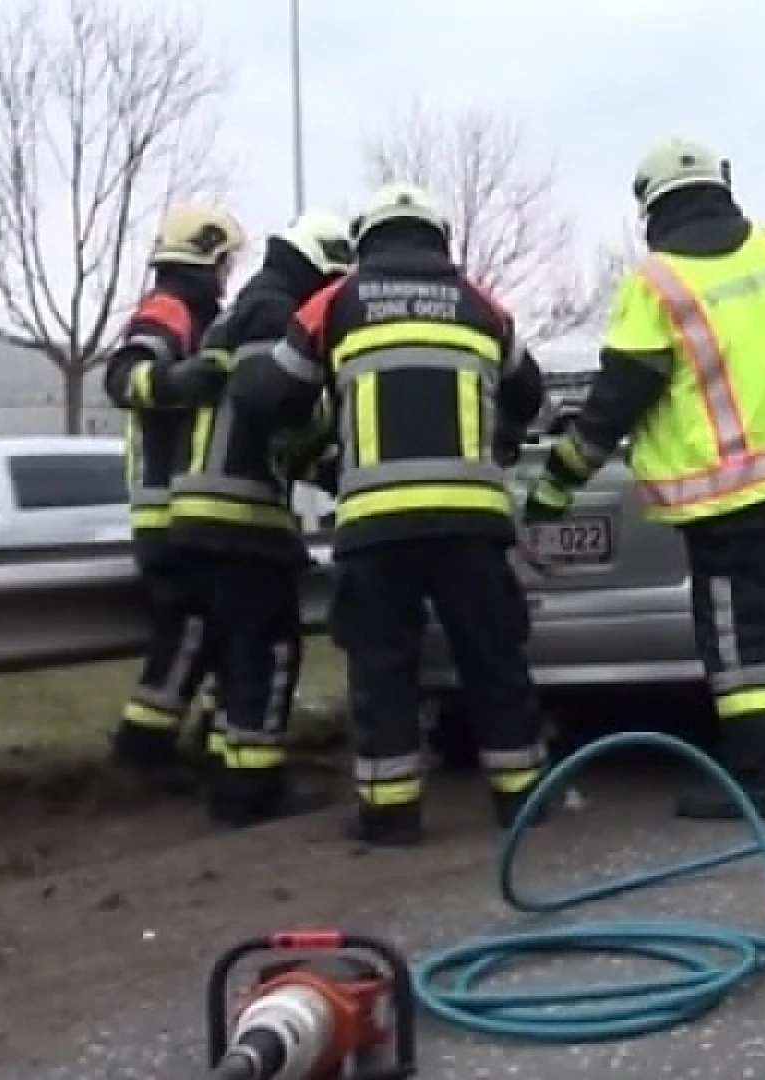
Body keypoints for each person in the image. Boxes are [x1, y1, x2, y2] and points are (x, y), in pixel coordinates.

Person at [525, 137, 765, 820]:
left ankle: (760, 782)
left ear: (650, 206)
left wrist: (554, 488)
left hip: (725, 495)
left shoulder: (657, 283)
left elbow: (617, 400)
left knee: (737, 645)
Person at [236, 182, 548, 846]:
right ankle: (521, 799)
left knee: (383, 667)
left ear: (366, 239)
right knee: (493, 659)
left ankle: (390, 813)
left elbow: (274, 394)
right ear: (437, 236)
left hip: (378, 526)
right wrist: (497, 438)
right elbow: (529, 390)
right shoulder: (481, 303)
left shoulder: (335, 301)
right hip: (472, 520)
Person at [167, 210, 355, 826]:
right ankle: (250, 790)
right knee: (266, 652)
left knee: (233, 654)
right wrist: (330, 451)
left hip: (204, 511)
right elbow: (271, 406)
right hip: (240, 515)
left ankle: (229, 770)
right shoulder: (276, 313)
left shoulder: (245, 307)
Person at [101, 204, 247, 782]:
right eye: (226, 262)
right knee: (186, 632)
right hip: (166, 510)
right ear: (208, 258)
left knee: (208, 632)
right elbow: (123, 378)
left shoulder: (201, 313)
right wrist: (181, 381)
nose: (229, 273)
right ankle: (144, 749)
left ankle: (200, 743)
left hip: (185, 507)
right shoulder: (171, 307)